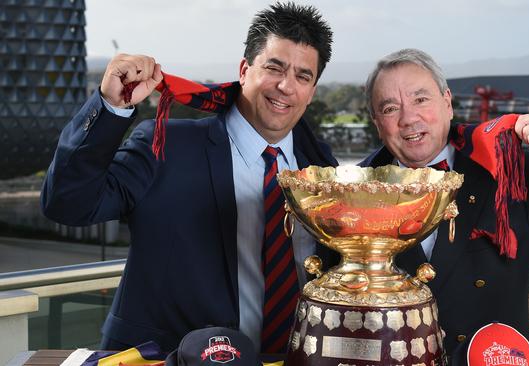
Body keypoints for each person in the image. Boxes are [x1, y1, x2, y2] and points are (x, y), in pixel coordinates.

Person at [41, 2, 337, 354]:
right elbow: (67, 204)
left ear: (312, 91)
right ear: (244, 70)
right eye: (274, 68)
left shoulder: (323, 168)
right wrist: (111, 106)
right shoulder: (165, 145)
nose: (286, 86)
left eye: (303, 76)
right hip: (170, 357)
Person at [359, 48, 529, 360]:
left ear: (447, 102)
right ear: (377, 122)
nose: (408, 118)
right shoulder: (353, 191)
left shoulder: (512, 171)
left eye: (420, 99)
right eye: (390, 108)